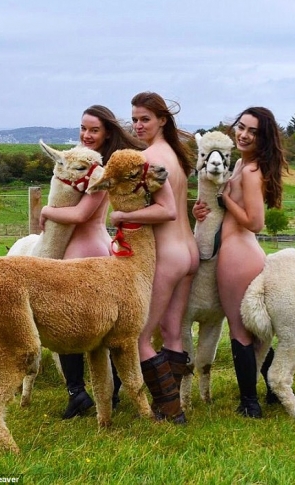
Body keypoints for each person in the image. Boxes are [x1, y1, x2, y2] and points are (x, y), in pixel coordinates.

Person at [40, 104, 146, 419]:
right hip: (97, 246)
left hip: (83, 249)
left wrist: (45, 211)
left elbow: (81, 214)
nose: (86, 134)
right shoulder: (83, 161)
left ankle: (81, 392)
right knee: (99, 325)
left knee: (66, 323)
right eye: (83, 128)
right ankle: (101, 392)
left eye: (94, 130)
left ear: (107, 133)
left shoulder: (98, 169)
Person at [108, 91, 198, 425]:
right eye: (134, 119)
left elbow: (167, 210)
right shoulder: (176, 155)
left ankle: (170, 412)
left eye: (145, 119)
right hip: (188, 252)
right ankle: (172, 406)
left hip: (167, 254)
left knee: (140, 337)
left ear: (162, 120)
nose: (138, 125)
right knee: (172, 332)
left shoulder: (149, 159)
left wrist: (121, 217)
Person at [194, 107, 289, 418]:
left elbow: (255, 222)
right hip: (240, 251)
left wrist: (225, 201)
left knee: (239, 330)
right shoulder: (240, 164)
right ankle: (272, 388)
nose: (244, 134)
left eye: (253, 132)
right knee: (253, 328)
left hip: (238, 255)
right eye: (241, 127)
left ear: (263, 138)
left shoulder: (250, 172)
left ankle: (250, 402)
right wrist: (203, 209)